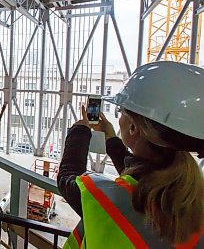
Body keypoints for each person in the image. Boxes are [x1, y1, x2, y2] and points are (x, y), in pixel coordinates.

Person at [58, 61, 203, 248]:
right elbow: (140, 176)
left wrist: (80, 131)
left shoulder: (113, 200)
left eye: (121, 112)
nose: (118, 119)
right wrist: (111, 139)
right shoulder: (190, 194)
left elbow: (67, 178)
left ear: (133, 127)